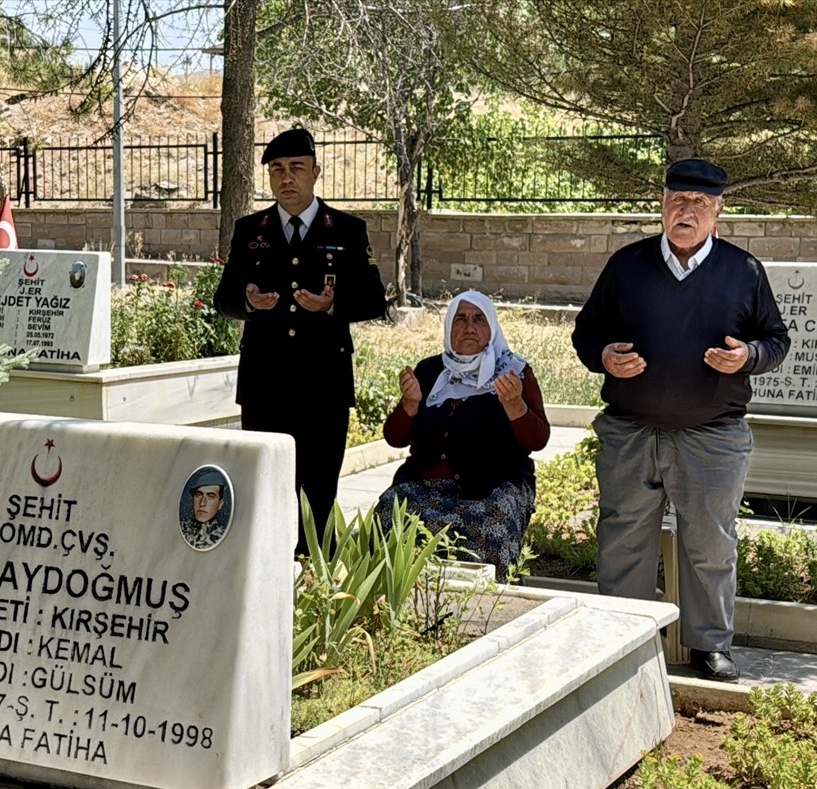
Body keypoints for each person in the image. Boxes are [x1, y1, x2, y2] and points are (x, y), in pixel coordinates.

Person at [571, 159, 790, 682]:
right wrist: (605, 356)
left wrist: (749, 356)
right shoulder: (627, 265)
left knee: (710, 542)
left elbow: (776, 340)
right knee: (624, 537)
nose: (685, 211)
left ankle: (710, 645)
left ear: (718, 213)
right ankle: (622, 637)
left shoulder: (744, 271)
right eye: (676, 201)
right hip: (631, 430)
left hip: (713, 435)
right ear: (662, 206)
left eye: (698, 204)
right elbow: (586, 333)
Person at [214, 127, 388, 555]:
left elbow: (374, 300)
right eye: (276, 170)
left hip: (323, 385)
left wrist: (332, 304)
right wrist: (248, 300)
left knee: (319, 494)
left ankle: (316, 582)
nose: (285, 178)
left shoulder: (346, 229)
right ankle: (268, 575)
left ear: (315, 172)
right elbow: (225, 299)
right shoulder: (251, 230)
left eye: (295, 168)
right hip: (265, 384)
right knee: (268, 489)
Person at [374, 291, 550, 574]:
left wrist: (515, 406)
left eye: (479, 319)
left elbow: (538, 440)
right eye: (461, 319)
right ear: (449, 327)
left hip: (493, 488)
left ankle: (486, 608)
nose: (469, 327)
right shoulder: (429, 370)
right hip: (427, 486)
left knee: (487, 524)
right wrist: (410, 404)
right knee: (391, 508)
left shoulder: (513, 372)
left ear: (491, 327)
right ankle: (396, 601)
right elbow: (394, 438)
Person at [181, 468, 230, 550]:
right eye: (198, 495)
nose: (202, 503)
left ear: (220, 504)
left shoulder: (222, 536)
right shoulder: (183, 529)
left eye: (211, 496)